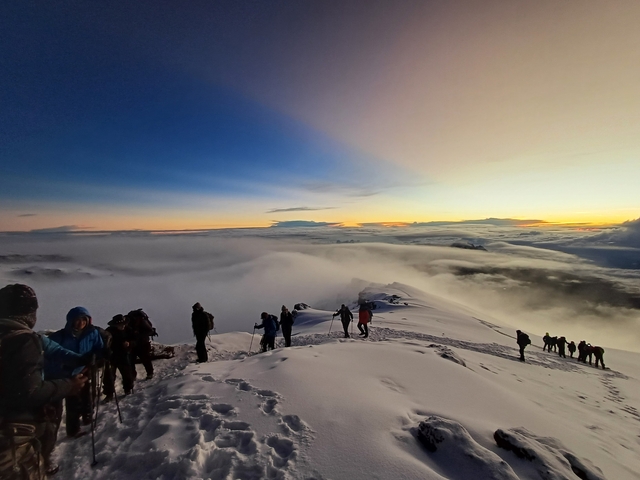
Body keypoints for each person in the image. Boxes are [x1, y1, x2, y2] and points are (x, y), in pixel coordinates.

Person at [0, 284, 87, 479]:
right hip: (11, 438)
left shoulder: (18, 336)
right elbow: (29, 392)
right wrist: (69, 385)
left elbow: (54, 350)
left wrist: (81, 358)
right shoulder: (23, 340)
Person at [46, 307, 104, 438]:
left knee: (79, 398)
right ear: (71, 321)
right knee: (64, 405)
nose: (81, 323)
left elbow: (98, 347)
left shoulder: (92, 333)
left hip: (83, 370)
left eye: (84, 320)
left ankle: (80, 422)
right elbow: (49, 356)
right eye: (77, 320)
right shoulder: (59, 336)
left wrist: (99, 355)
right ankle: (65, 432)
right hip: (62, 375)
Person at [103, 314, 135, 402]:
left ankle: (128, 389)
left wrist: (130, 343)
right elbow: (104, 343)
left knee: (127, 373)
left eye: (123, 324)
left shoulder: (129, 330)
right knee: (109, 375)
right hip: (111, 356)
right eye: (120, 325)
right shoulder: (109, 331)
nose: (122, 326)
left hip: (123, 354)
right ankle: (109, 394)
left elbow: (135, 340)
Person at [126, 309, 156, 380]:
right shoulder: (140, 321)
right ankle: (149, 373)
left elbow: (149, 331)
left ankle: (133, 375)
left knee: (132, 360)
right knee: (145, 359)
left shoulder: (135, 322)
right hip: (142, 343)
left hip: (138, 344)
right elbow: (150, 331)